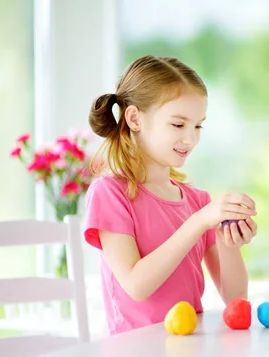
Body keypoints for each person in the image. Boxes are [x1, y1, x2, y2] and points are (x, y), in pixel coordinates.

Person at [84, 55, 257, 335]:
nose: (190, 139)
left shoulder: (197, 201)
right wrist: (199, 222)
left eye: (198, 126)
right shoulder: (110, 193)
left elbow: (235, 300)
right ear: (135, 119)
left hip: (190, 349)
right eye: (178, 125)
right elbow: (136, 285)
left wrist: (229, 244)